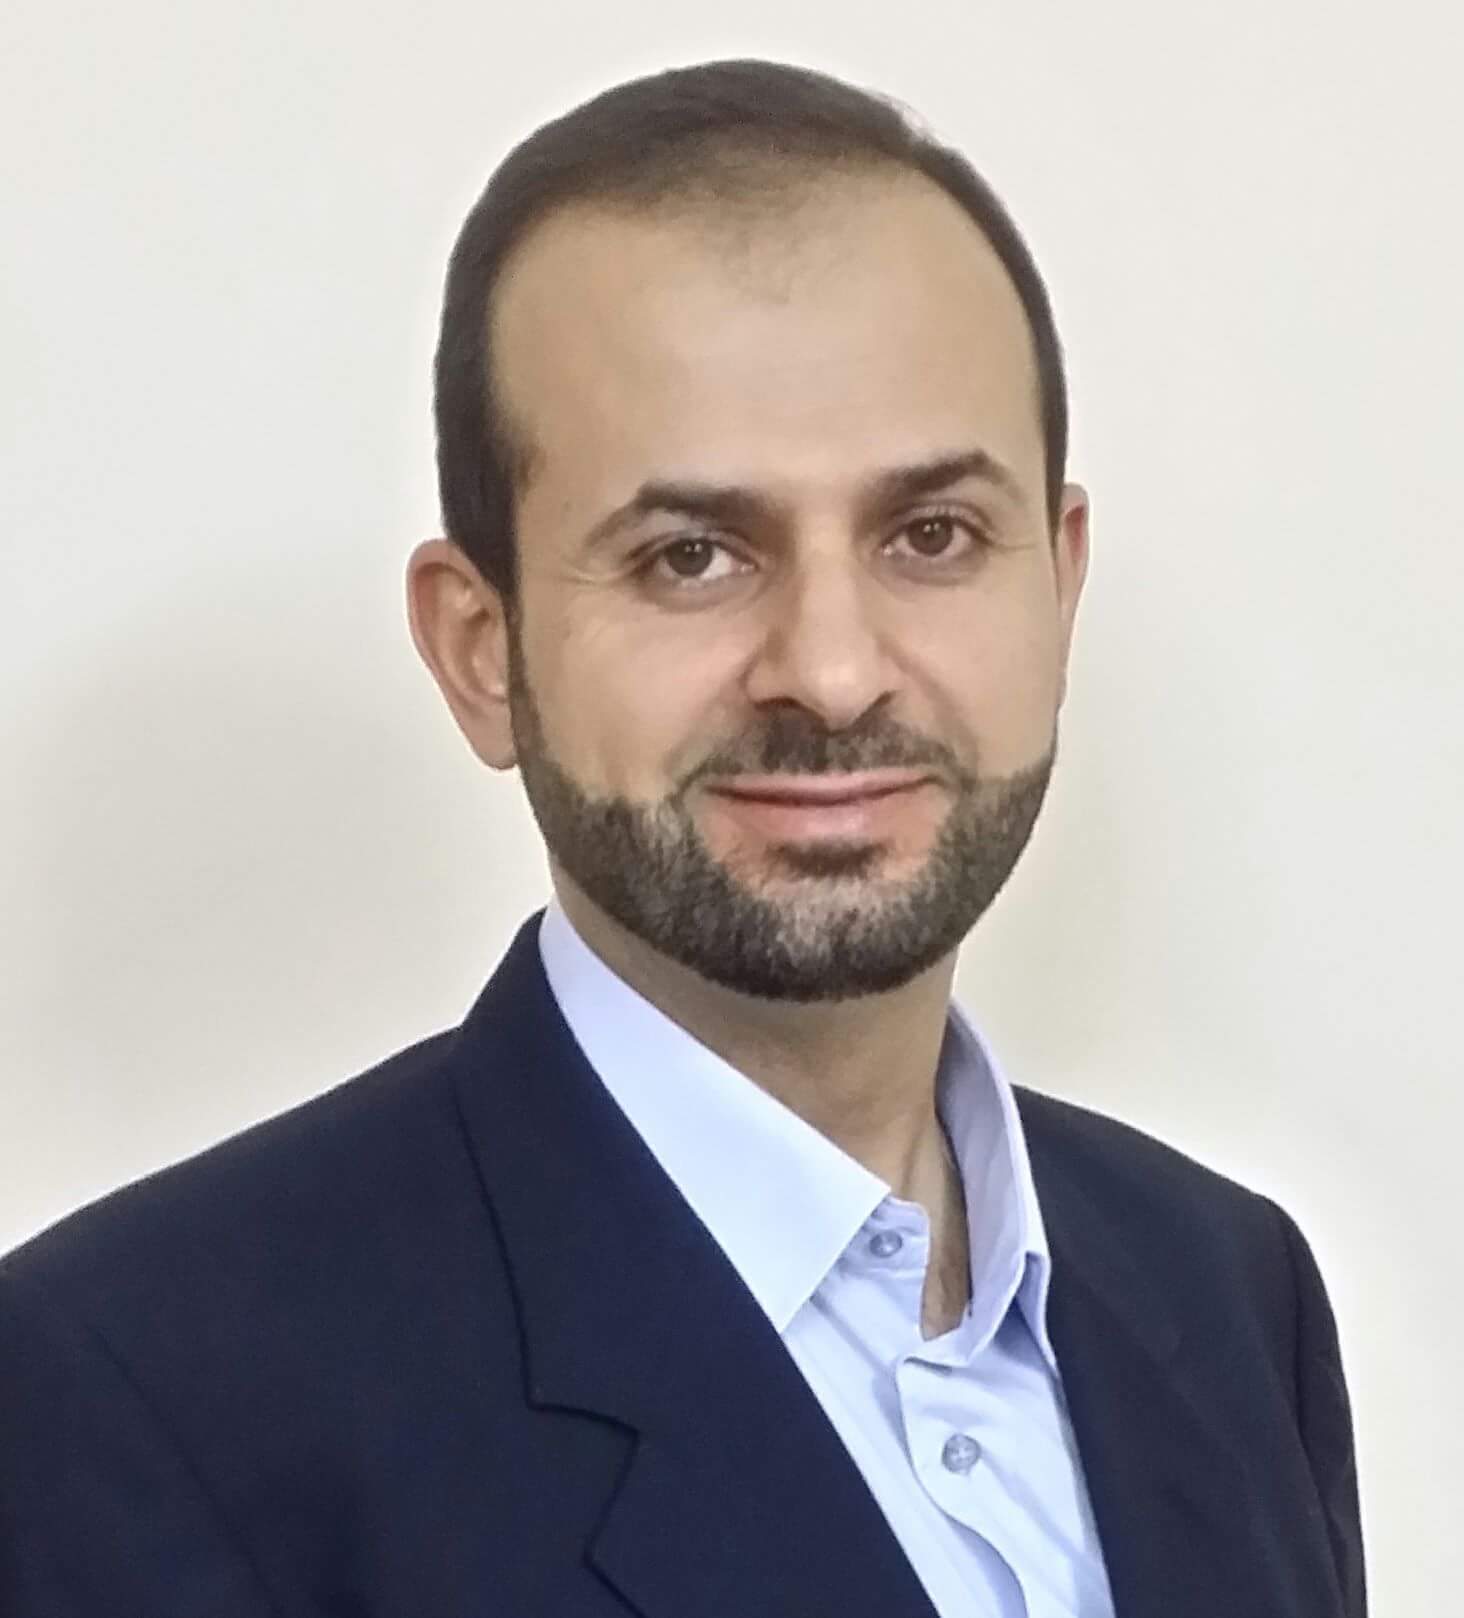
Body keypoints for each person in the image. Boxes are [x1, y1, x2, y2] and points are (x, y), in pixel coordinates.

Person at [0, 58, 1365, 1618]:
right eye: (693, 555)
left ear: (1057, 584)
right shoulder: (133, 1404)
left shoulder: (1233, 1291)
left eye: (931, 535)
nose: (833, 671)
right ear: (481, 648)